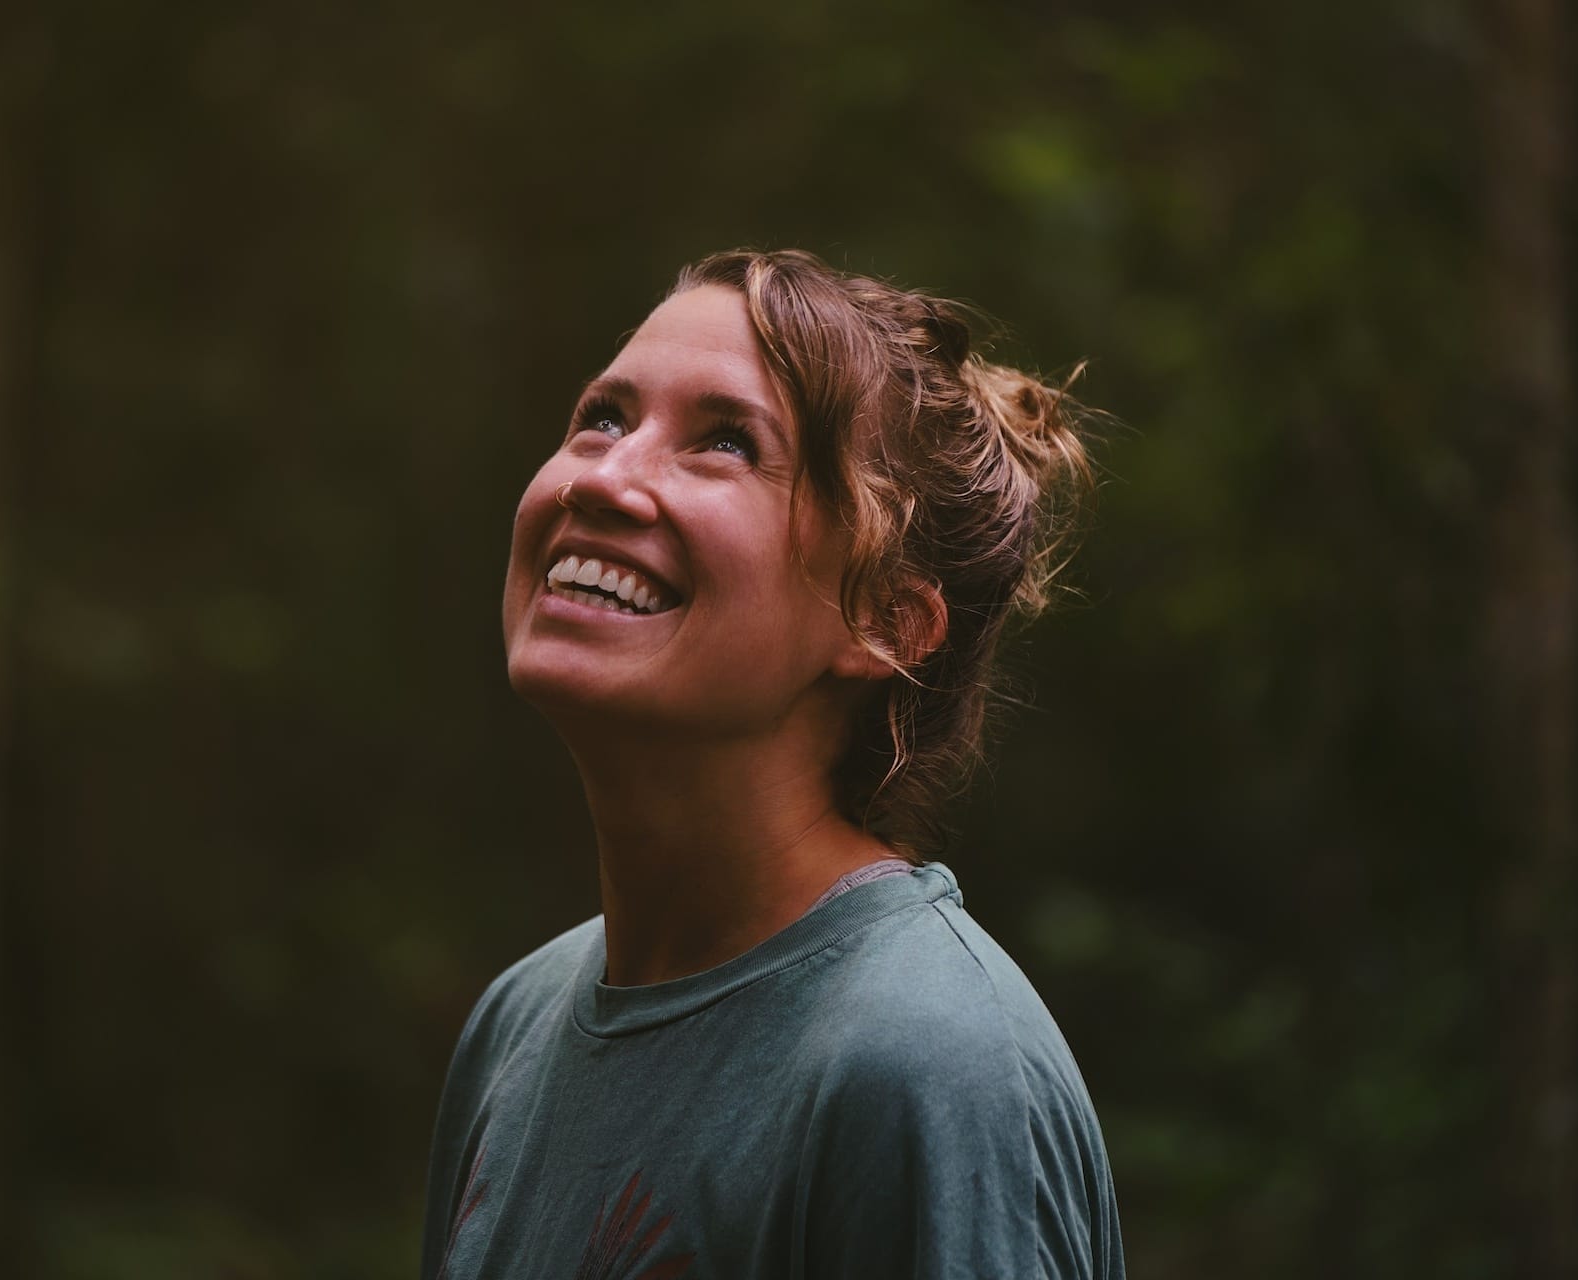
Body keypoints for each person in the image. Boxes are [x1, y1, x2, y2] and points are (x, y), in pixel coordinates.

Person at [420, 249, 1124, 1279]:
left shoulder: (927, 1064)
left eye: (725, 442)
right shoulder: (514, 1028)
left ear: (884, 618)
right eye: (604, 417)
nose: (605, 476)